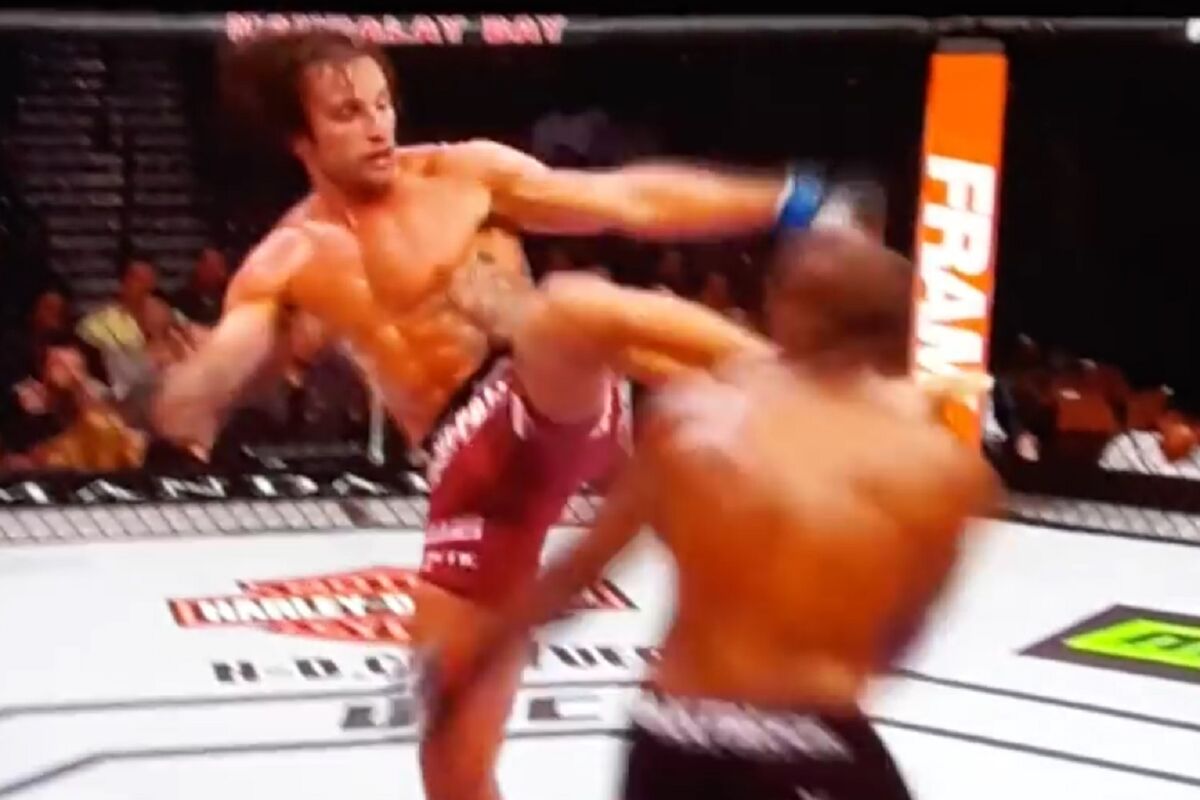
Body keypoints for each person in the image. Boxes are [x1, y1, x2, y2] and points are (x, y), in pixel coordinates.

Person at [152, 30, 861, 800]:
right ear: (301, 138)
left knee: (570, 309)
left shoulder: (464, 175)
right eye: (348, 113)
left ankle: (807, 390)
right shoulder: (288, 257)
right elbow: (230, 355)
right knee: (451, 767)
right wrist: (195, 388)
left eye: (382, 104)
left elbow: (627, 200)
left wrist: (785, 197)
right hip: (470, 475)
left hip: (540, 394)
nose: (378, 126)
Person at [439, 228, 999, 800]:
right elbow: (898, 639)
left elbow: (578, 570)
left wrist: (477, 655)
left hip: (676, 735)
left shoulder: (692, 419)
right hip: (810, 736)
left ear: (786, 314)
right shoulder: (941, 469)